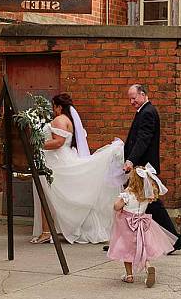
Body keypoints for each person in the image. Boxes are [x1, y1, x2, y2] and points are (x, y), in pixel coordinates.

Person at [30, 93, 124, 244]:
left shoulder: (60, 119)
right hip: (61, 158)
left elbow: (59, 142)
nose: (53, 110)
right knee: (51, 195)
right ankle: (51, 229)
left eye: (54, 106)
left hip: (56, 161)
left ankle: (48, 231)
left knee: (47, 195)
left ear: (59, 107)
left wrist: (36, 145)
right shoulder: (69, 120)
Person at [120, 84, 181, 250]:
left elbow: (143, 139)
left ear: (143, 94)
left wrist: (131, 160)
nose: (131, 101)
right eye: (130, 99)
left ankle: (173, 240)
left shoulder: (148, 112)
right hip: (142, 166)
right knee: (147, 204)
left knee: (150, 204)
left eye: (134, 98)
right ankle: (129, 239)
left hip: (144, 167)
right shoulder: (144, 111)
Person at [106, 165, 177, 286]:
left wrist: (122, 199)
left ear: (132, 180)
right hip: (143, 223)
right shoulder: (147, 195)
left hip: (128, 226)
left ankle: (129, 276)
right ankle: (148, 266)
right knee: (142, 247)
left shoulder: (127, 194)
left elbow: (116, 206)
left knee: (126, 250)